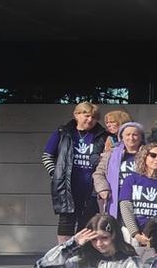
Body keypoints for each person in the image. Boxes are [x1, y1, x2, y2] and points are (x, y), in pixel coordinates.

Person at [43, 101, 108, 244]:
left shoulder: (103, 135)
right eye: (86, 116)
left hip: (91, 189)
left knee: (87, 225)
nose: (90, 120)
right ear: (76, 115)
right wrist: (56, 176)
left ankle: (82, 255)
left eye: (94, 117)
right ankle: (64, 253)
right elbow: (47, 156)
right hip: (68, 188)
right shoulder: (63, 133)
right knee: (66, 224)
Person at [34, 214, 148, 268]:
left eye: (104, 238)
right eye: (94, 239)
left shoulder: (131, 264)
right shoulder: (81, 262)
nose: (99, 244)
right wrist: (72, 245)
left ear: (115, 237)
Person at [118, 143, 157, 255]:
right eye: (153, 155)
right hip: (131, 233)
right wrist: (136, 234)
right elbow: (126, 208)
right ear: (145, 157)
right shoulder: (131, 180)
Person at [94, 120, 144, 218]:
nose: (131, 138)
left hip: (140, 199)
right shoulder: (111, 154)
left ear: (141, 138)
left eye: (135, 135)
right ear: (121, 137)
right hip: (115, 198)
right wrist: (103, 189)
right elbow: (99, 173)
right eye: (128, 135)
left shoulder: (150, 155)